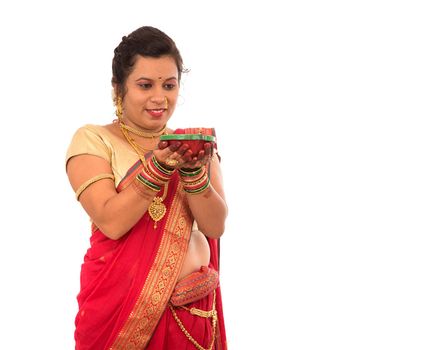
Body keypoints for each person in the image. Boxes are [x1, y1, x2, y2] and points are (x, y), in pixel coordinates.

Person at [65, 26, 228, 350]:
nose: (159, 97)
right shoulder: (94, 139)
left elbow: (215, 225)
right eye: (145, 85)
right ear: (118, 88)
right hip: (121, 311)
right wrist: (159, 167)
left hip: (194, 312)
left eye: (169, 85)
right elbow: (112, 222)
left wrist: (194, 172)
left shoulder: (191, 144)